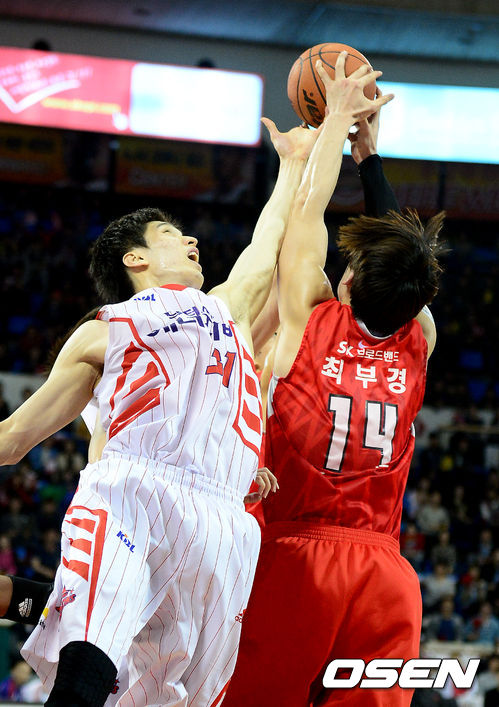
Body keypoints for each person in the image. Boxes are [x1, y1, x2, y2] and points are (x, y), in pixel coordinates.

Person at [0, 116, 323, 707]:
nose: (192, 240)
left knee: (172, 697)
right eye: (172, 234)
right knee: (90, 654)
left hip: (223, 520)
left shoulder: (228, 308)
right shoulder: (107, 330)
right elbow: (15, 437)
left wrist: (294, 163)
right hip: (132, 495)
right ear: (135, 258)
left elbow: (267, 242)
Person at [224, 53, 445, 707]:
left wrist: (336, 125)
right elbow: (403, 256)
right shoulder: (419, 339)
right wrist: (369, 156)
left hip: (297, 558)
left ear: (346, 281)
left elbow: (306, 215)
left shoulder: (309, 319)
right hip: (384, 572)